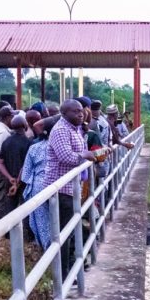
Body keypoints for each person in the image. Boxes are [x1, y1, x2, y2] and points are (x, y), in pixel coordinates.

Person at [45, 99, 96, 278]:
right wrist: (86, 155)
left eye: (81, 111)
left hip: (71, 188)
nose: (81, 114)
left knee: (70, 230)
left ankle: (70, 269)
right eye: (75, 112)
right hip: (60, 190)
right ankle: (64, 275)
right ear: (64, 114)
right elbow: (66, 157)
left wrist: (94, 154)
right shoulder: (60, 130)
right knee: (63, 235)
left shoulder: (75, 129)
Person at [21, 115, 59, 248]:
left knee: (41, 222)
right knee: (59, 221)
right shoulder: (60, 147)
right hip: (59, 185)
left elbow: (25, 175)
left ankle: (46, 250)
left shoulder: (34, 148)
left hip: (38, 187)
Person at [0, 113, 32, 220]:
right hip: (23, 181)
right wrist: (18, 180)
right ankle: (27, 234)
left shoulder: (6, 142)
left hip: (9, 181)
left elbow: (0, 162)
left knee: (10, 208)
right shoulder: (28, 143)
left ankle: (8, 234)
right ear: (25, 126)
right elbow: (26, 165)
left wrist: (10, 178)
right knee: (25, 208)